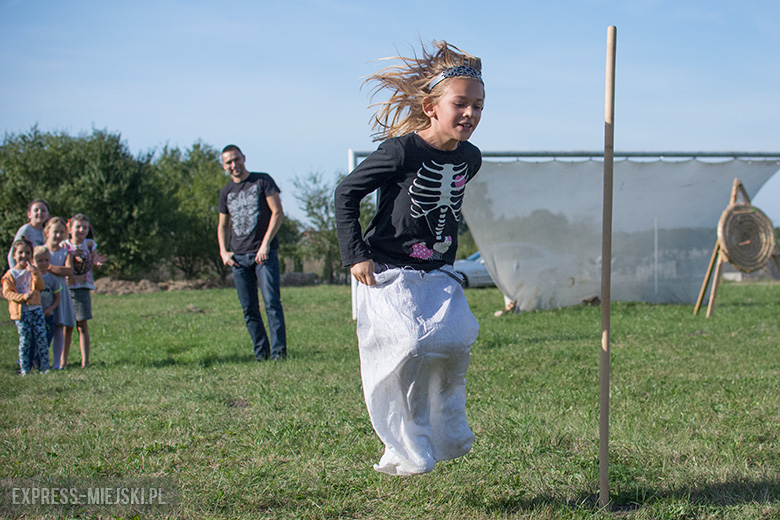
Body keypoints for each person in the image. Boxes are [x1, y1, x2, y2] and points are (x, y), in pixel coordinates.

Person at [334, 40, 485, 475]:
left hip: (438, 270)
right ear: (431, 106)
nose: (470, 114)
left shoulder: (470, 159)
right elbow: (347, 192)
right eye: (460, 104)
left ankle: (448, 429)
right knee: (410, 344)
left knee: (457, 340)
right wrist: (355, 253)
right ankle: (404, 443)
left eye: (478, 106)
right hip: (387, 267)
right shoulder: (401, 152)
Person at [217, 144, 287, 361]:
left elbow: (277, 213)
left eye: (236, 159)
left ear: (244, 158)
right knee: (249, 309)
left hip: (263, 256)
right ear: (224, 165)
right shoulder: (226, 192)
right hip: (238, 258)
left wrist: (265, 244)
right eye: (228, 162)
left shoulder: (262, 181)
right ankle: (261, 355)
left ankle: (278, 355)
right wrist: (223, 252)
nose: (233, 165)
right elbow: (222, 225)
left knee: (271, 304)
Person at [62, 213, 106, 368]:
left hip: (83, 288)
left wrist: (97, 263)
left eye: (85, 227)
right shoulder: (64, 245)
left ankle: (85, 362)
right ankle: (63, 361)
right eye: (78, 227)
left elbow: (94, 261)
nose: (81, 230)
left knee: (82, 325)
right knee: (67, 326)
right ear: (70, 228)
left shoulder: (89, 244)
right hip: (67, 288)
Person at [3, 239, 50, 375]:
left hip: (36, 309)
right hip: (21, 312)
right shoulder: (10, 275)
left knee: (41, 338)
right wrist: (22, 298)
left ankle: (44, 367)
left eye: (28, 253)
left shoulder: (32, 271)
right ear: (14, 255)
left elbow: (40, 286)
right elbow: (7, 293)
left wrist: (36, 273)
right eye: (21, 253)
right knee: (25, 341)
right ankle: (24, 368)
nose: (24, 256)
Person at [44, 217, 76, 369]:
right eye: (55, 231)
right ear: (47, 232)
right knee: (41, 328)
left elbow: (69, 270)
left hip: (61, 292)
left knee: (59, 326)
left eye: (61, 232)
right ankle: (40, 360)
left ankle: (57, 363)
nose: (58, 235)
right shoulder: (41, 251)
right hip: (44, 292)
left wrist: (48, 267)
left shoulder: (65, 253)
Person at [33, 246, 62, 358]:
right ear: (33, 261)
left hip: (48, 314)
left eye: (46, 260)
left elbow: (57, 297)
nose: (43, 263)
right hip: (34, 313)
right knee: (33, 338)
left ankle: (42, 360)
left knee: (46, 338)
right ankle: (32, 359)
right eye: (40, 261)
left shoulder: (52, 279)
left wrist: (50, 309)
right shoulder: (31, 278)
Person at [6, 199, 50, 269]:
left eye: (43, 210)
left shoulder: (46, 232)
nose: (40, 212)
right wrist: (15, 273)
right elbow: (12, 254)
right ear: (29, 214)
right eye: (36, 210)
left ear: (48, 215)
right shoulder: (26, 229)